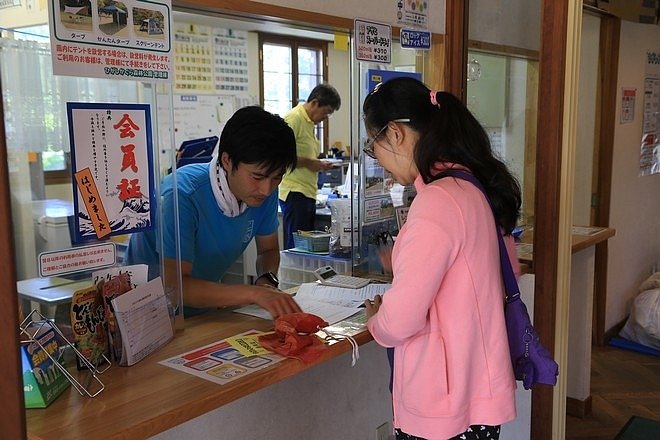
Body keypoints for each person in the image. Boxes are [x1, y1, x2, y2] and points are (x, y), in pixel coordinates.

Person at [362, 77, 521, 440]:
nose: (379, 160)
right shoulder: (468, 185)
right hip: (473, 393)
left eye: (374, 146)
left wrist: (378, 320)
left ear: (396, 134)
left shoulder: (437, 202)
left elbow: (400, 320)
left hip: (443, 405)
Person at [126, 106, 302, 319]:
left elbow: (268, 250)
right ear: (227, 160)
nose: (267, 189)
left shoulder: (263, 190)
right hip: (147, 312)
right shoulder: (182, 195)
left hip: (202, 308)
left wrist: (267, 281)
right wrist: (253, 293)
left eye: (277, 177)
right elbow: (175, 285)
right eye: (257, 177)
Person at [279, 83, 341, 249]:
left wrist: (319, 164)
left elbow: (303, 155)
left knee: (307, 246)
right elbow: (280, 155)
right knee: (297, 246)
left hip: (307, 192)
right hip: (294, 192)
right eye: (326, 111)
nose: (326, 117)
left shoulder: (309, 123)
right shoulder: (294, 119)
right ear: (314, 103)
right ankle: (293, 276)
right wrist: (311, 163)